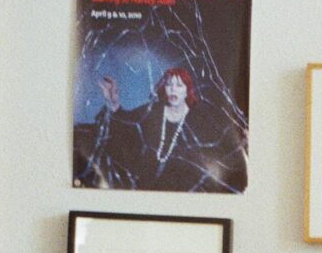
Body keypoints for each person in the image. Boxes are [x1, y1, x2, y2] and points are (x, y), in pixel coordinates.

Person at [81, 65, 243, 193]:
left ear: (187, 90)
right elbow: (127, 124)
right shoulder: (153, 111)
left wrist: (241, 143)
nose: (173, 89)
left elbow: (220, 145)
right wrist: (113, 102)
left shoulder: (199, 120)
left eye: (179, 85)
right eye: (169, 84)